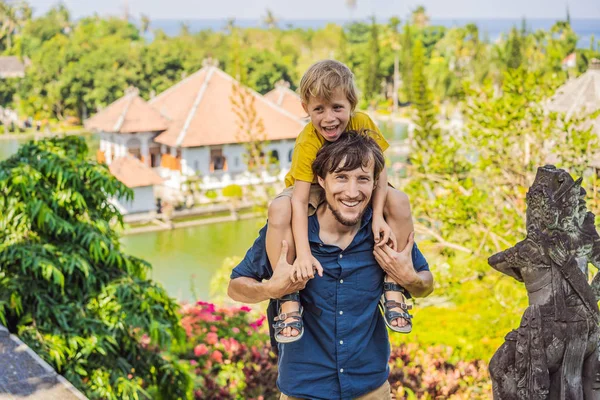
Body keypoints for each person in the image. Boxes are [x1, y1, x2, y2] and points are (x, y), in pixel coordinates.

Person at [228, 132, 434, 399]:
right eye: (341, 177)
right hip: (304, 391)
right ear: (321, 181)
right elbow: (235, 288)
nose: (352, 192)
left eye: (362, 179)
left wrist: (409, 278)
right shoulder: (288, 234)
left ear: (375, 185)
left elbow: (425, 285)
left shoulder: (383, 231)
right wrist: (271, 288)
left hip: (371, 389)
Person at [266, 59, 416, 342]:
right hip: (312, 187)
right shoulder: (307, 142)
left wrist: (379, 216)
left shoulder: (363, 123)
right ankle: (288, 295)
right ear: (305, 109)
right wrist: (304, 253)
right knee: (279, 208)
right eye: (318, 110)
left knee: (398, 200)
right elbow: (298, 201)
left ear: (351, 104)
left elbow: (380, 173)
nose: (329, 118)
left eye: (337, 108)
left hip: (354, 180)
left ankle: (395, 281)